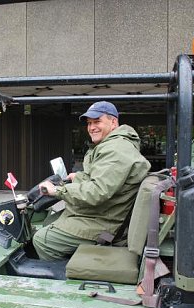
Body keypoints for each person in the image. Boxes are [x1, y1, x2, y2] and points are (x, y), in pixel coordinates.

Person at [32, 101, 151, 261]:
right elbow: (103, 178)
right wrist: (78, 177)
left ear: (113, 122)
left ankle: (68, 279)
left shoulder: (116, 150)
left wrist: (58, 191)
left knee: (42, 240)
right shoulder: (112, 145)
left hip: (105, 223)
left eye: (97, 121)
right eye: (89, 123)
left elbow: (97, 192)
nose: (91, 127)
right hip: (100, 214)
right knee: (48, 222)